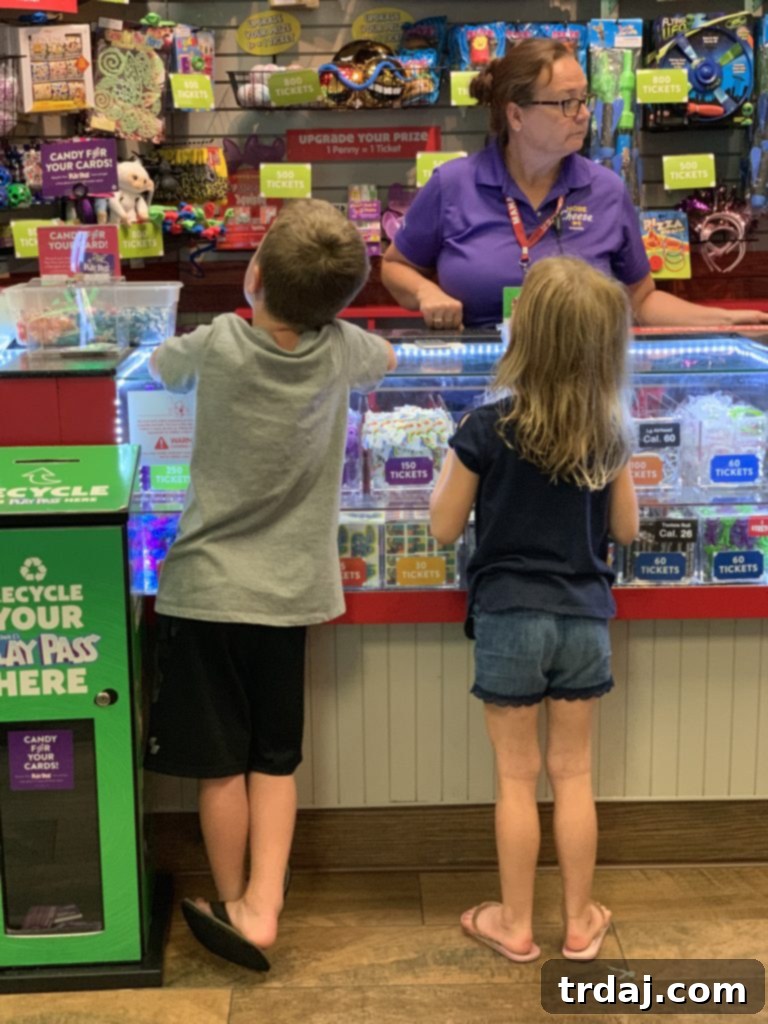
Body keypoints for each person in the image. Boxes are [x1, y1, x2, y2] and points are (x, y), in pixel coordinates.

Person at [143, 198, 397, 971]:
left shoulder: (217, 342)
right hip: (290, 594)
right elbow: (386, 360)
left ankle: (229, 901)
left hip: (205, 587)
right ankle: (266, 904)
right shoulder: (348, 350)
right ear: (341, 302)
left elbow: (155, 364)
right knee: (274, 760)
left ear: (252, 276)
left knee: (220, 765)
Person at [429, 256, 639, 963]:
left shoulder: (488, 426)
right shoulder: (609, 431)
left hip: (509, 616)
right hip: (584, 616)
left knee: (516, 780)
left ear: (523, 336)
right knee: (573, 775)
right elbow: (629, 530)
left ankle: (514, 924)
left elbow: (442, 528)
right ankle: (580, 923)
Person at [382, 38, 768, 330]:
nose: (584, 115)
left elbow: (641, 300)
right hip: (481, 385)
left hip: (582, 394)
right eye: (567, 103)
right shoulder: (453, 183)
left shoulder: (606, 189)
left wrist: (723, 322)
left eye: (585, 99)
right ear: (516, 115)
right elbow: (395, 267)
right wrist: (425, 292)